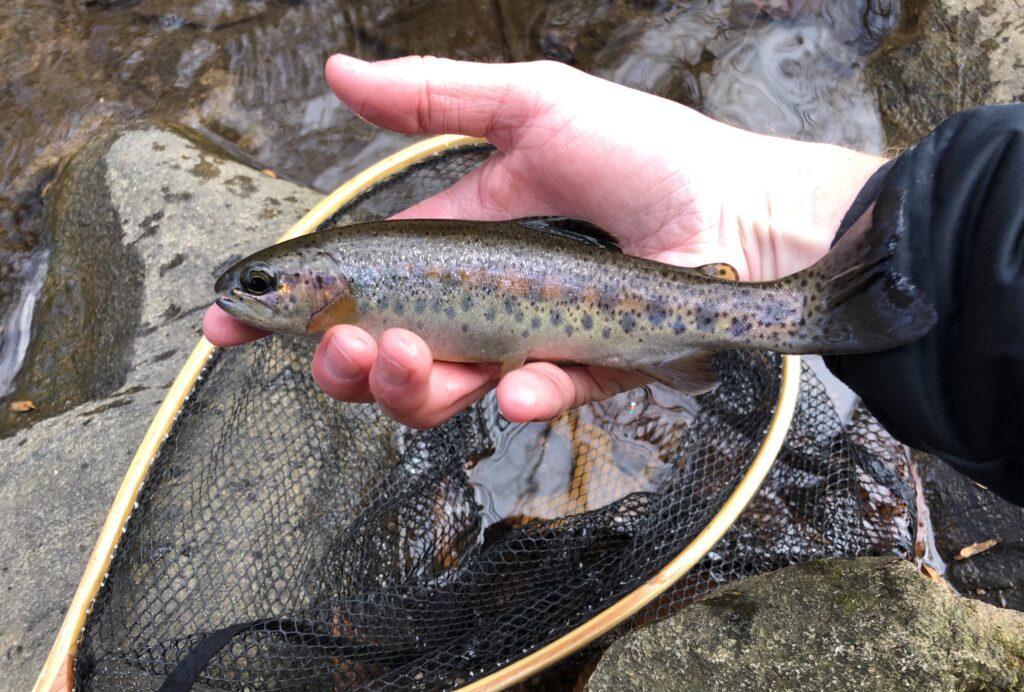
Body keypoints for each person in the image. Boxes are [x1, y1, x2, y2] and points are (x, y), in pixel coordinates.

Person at [204, 55, 1024, 505]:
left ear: (318, 279)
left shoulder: (354, 279)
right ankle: (829, 302)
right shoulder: (346, 290)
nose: (251, 296)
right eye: (259, 286)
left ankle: (816, 306)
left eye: (263, 283)